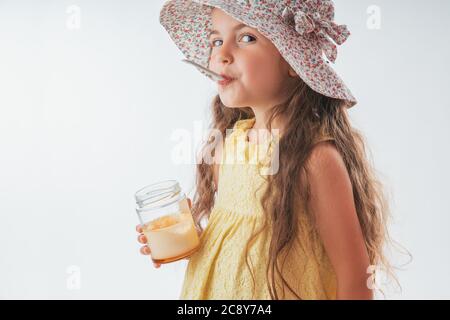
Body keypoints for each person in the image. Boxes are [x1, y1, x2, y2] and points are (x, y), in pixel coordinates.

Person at [137, 0, 399, 300]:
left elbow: (355, 277)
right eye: (216, 40)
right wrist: (189, 238)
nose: (220, 55)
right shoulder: (227, 146)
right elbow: (235, 238)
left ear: (292, 61)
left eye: (246, 38)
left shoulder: (314, 160)